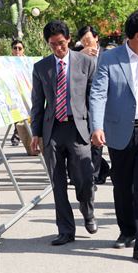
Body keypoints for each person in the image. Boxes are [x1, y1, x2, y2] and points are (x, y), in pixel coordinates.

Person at [90, 11, 138, 264]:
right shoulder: (110, 58)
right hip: (119, 130)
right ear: (137, 36)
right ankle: (127, 230)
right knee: (122, 185)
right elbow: (99, 93)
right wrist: (96, 126)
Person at [30, 20, 97, 245]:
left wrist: (97, 127)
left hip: (79, 128)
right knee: (58, 183)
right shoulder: (41, 67)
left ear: (68, 39)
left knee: (85, 179)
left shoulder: (86, 63)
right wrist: (35, 133)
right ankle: (66, 230)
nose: (58, 49)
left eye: (61, 43)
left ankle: (88, 211)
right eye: (52, 45)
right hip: (53, 130)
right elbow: (37, 103)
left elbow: (94, 99)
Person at [76, 26, 111, 185]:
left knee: (98, 138)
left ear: (96, 38)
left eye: (88, 40)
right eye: (83, 42)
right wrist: (80, 54)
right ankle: (95, 171)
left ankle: (96, 172)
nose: (86, 44)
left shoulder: (108, 54)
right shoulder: (77, 53)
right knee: (87, 138)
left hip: (105, 102)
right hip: (84, 102)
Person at [10, 40, 25, 146]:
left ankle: (17, 135)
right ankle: (17, 134)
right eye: (15, 48)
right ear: (12, 50)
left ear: (23, 50)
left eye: (19, 48)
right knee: (16, 115)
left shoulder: (27, 62)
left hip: (25, 92)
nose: (17, 50)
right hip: (12, 93)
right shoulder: (7, 62)